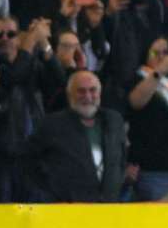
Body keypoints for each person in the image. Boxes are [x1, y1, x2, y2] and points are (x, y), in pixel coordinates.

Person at [21, 70, 127, 203]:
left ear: (100, 93)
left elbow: (121, 158)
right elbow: (28, 162)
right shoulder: (52, 124)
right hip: (67, 209)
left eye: (92, 90)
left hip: (108, 207)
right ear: (69, 95)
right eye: (81, 91)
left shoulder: (114, 120)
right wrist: (50, 194)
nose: (88, 96)